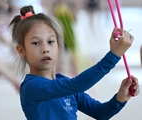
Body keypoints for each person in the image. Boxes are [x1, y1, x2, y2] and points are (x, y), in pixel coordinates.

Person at [9, 5, 140, 120]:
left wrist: (120, 99)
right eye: (36, 43)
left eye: (50, 42)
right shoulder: (31, 87)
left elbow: (100, 113)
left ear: (59, 46)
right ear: (21, 50)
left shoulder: (65, 84)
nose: (45, 49)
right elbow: (77, 84)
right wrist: (113, 56)